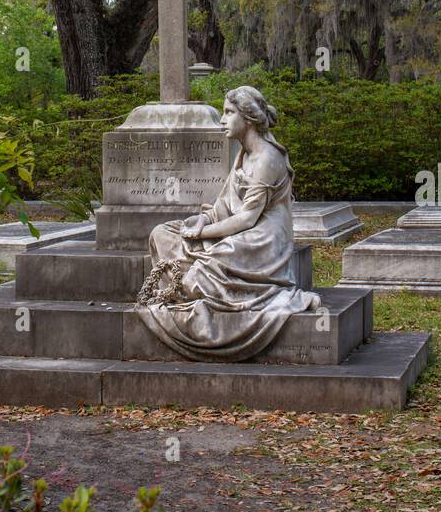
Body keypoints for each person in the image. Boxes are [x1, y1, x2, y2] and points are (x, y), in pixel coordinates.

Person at [136, 85, 322, 361]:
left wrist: (202, 232)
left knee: (217, 257)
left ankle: (202, 285)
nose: (222, 120)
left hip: (264, 237)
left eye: (228, 112)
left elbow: (248, 218)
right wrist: (201, 219)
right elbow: (223, 207)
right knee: (162, 233)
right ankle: (193, 285)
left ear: (248, 118)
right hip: (237, 227)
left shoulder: (267, 159)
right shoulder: (243, 155)